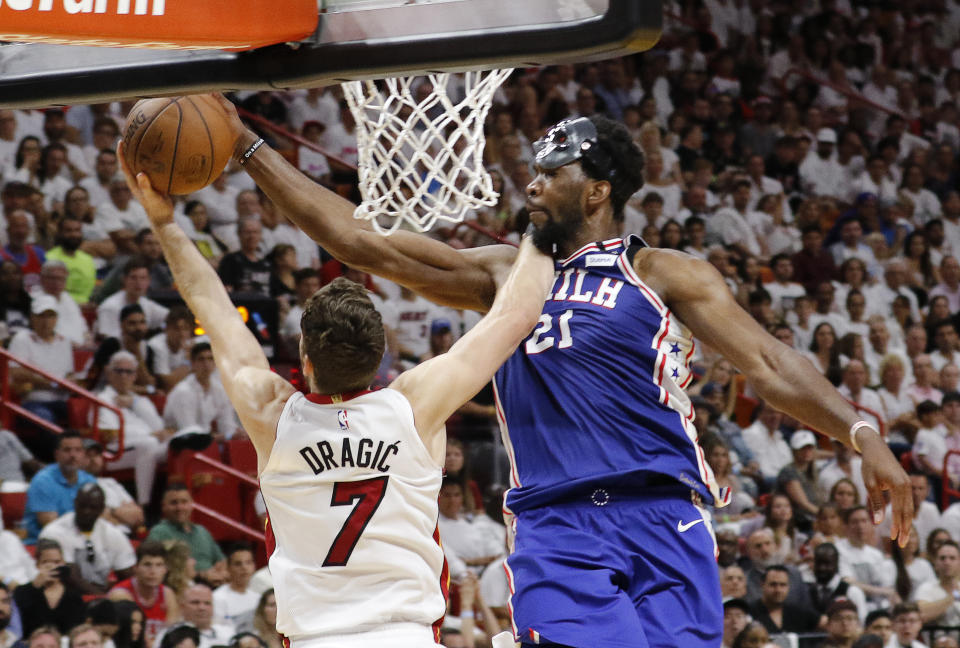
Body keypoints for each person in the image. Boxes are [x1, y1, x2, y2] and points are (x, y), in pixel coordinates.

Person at [211, 100, 913, 648]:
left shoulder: (662, 273)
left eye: (552, 173)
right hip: (557, 522)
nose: (533, 182)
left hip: (665, 514)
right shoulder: (501, 277)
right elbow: (359, 239)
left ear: (598, 190)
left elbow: (768, 362)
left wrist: (862, 431)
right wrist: (247, 145)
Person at [119, 124, 555, 648]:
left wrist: (164, 221)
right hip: (406, 636)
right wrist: (542, 229)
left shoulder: (273, 415)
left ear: (302, 357)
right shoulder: (414, 404)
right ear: (380, 359)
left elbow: (210, 305)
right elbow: (518, 312)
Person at [37, 483, 135, 594]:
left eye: (92, 507)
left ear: (102, 509)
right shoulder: (54, 532)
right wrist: (102, 598)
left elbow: (127, 575)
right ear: (75, 503)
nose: (86, 511)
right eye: (82, 506)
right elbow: (70, 577)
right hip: (64, 597)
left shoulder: (113, 534)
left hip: (102, 595)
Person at [23, 431, 96, 544]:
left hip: (81, 539)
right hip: (46, 544)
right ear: (57, 455)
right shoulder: (42, 481)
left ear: (83, 454)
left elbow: (99, 515)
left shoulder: (89, 480)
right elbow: (51, 525)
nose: (73, 455)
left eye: (78, 450)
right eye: (67, 450)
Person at [144, 485, 226, 586]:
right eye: (174, 503)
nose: (180, 507)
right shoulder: (158, 533)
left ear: (191, 504)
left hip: (214, 586)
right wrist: (202, 575)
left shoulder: (202, 531)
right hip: (181, 588)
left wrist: (222, 571)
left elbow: (221, 561)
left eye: (184, 502)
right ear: (163, 506)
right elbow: (154, 567)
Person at [108, 541, 180, 648]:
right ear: (135, 568)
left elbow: (173, 633)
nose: (153, 571)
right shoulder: (121, 594)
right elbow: (134, 638)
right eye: (147, 565)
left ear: (165, 570)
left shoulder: (167, 594)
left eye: (159, 565)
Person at [163, 342, 239, 441]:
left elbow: (227, 425)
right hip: (179, 443)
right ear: (193, 364)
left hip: (206, 440)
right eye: (201, 359)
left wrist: (234, 434)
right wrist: (223, 437)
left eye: (210, 359)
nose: (206, 364)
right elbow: (189, 432)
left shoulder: (219, 390)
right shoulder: (183, 392)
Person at [13, 538, 85, 636]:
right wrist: (35, 587)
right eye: (46, 562)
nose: (52, 567)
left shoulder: (74, 596)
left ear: (63, 563)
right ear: (37, 565)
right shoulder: (22, 592)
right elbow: (20, 625)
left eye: (57, 562)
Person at [211, 544, 258, 630]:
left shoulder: (258, 598)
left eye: (248, 562)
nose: (244, 567)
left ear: (254, 566)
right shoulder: (217, 597)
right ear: (228, 568)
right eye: (238, 564)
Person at [914, 540, 960, 627]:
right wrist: (953, 596)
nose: (947, 562)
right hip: (934, 639)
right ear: (935, 563)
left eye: (952, 558)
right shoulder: (926, 588)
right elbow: (922, 614)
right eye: (942, 558)